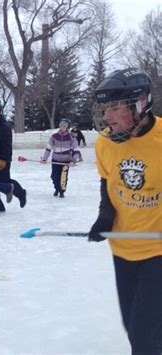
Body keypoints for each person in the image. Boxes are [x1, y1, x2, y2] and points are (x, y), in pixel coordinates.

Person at [88, 68, 162, 354]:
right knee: (136, 330)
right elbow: (108, 182)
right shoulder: (105, 142)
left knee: (143, 337)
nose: (107, 117)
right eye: (105, 108)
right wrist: (105, 217)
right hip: (123, 249)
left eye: (116, 107)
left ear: (141, 104)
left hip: (158, 251)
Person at [0, 102, 27, 212]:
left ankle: (21, 193)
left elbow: (7, 145)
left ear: (0, 113)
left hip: (2, 160)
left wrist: (4, 160)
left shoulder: (4, 126)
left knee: (3, 181)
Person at [40, 119, 81, 198]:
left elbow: (76, 151)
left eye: (64, 126)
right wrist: (44, 158)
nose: (62, 127)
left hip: (66, 161)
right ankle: (57, 188)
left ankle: (61, 192)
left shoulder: (71, 138)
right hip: (55, 160)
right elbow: (48, 148)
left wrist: (73, 160)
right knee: (54, 176)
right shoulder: (54, 137)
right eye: (61, 125)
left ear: (67, 128)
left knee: (63, 177)